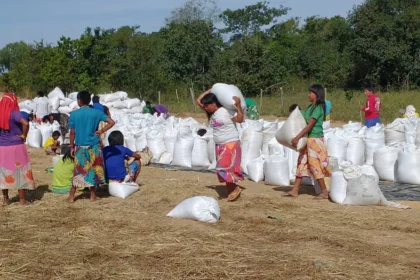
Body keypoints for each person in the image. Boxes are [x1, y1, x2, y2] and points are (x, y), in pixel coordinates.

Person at [67, 91, 115, 203]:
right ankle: (93, 195)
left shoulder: (74, 114)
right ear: (89, 101)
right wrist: (101, 130)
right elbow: (111, 122)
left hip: (80, 147)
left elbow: (72, 132)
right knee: (93, 170)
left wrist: (71, 146)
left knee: (78, 171)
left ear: (79, 100)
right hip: (94, 146)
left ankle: (71, 195)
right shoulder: (96, 113)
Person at [197, 89, 244, 202]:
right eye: (205, 106)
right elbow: (198, 100)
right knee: (223, 169)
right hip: (219, 145)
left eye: (208, 105)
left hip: (230, 143)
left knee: (224, 168)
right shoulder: (211, 113)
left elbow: (240, 120)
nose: (205, 107)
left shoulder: (226, 111)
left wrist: (238, 105)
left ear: (214, 104)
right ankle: (232, 192)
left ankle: (234, 190)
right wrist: (211, 89)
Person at [286, 85, 331, 199]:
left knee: (315, 165)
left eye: (311, 93)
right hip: (308, 139)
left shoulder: (318, 108)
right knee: (301, 162)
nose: (308, 94)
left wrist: (297, 137)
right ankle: (295, 190)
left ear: (317, 94)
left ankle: (324, 191)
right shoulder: (311, 106)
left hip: (315, 140)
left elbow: (309, 126)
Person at [0, 93, 35, 206]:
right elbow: (25, 123)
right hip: (16, 146)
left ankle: (5, 199)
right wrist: (24, 136)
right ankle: (22, 200)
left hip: (3, 147)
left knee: (4, 173)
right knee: (20, 171)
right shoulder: (14, 113)